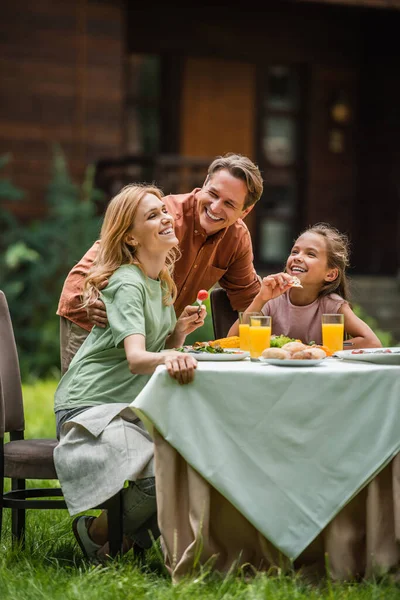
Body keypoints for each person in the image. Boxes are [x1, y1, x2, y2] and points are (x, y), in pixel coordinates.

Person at [53, 183, 207, 563]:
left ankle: (118, 545)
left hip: (124, 406)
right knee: (162, 470)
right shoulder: (126, 281)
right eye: (152, 215)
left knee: (191, 460)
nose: (166, 217)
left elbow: (154, 350)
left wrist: (179, 332)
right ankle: (97, 534)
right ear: (131, 238)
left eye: (163, 210)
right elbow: (138, 359)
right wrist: (173, 357)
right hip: (88, 407)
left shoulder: (160, 283)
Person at [57, 153, 264, 374]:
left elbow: (249, 300)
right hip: (94, 321)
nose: (215, 207)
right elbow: (98, 259)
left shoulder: (237, 239)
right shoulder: (162, 217)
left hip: (151, 335)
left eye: (229, 204)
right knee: (86, 398)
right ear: (204, 183)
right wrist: (89, 299)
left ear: (245, 211)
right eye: (213, 194)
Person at [228, 223, 382, 348]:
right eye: (295, 252)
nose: (298, 258)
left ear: (330, 274)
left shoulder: (332, 306)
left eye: (311, 254)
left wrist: (323, 348)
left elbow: (371, 342)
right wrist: (260, 299)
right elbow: (231, 340)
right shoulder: (272, 301)